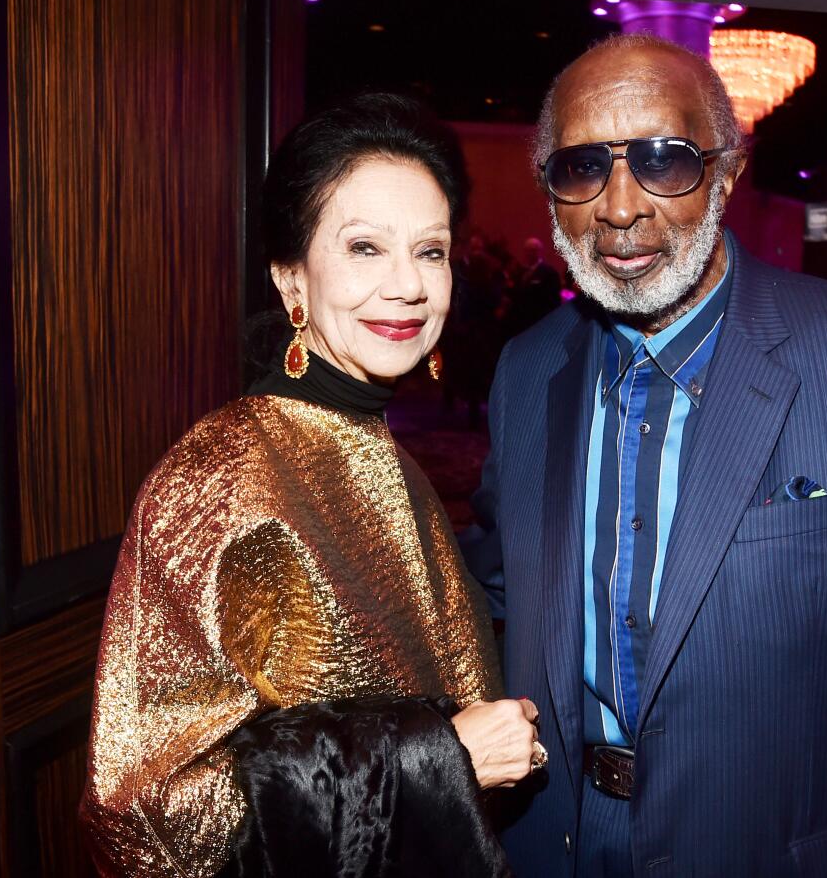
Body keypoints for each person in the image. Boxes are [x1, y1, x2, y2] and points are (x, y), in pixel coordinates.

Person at [461, 34, 827, 876]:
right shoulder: (528, 371)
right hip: (553, 843)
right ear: (549, 191)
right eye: (581, 168)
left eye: (664, 161)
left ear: (729, 171)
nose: (620, 206)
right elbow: (493, 588)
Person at [80, 94, 543, 878]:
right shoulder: (223, 476)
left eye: (431, 252)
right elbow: (141, 811)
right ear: (290, 275)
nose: (409, 287)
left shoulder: (380, 446)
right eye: (365, 247)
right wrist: (436, 757)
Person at [504, 236, 563, 337]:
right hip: (521, 323)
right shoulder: (519, 273)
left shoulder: (549, 273)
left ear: (539, 251)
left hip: (539, 320)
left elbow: (553, 300)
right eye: (527, 250)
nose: (529, 254)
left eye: (532, 250)